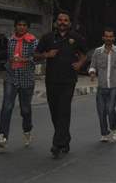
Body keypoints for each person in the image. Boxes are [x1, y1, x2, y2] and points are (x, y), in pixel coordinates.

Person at [35, 11, 87, 158]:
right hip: (51, 80)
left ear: (69, 23)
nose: (63, 22)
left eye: (66, 20)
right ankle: (65, 139)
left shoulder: (75, 38)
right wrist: (47, 55)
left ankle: (56, 144)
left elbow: (84, 54)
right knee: (55, 112)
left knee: (64, 111)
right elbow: (36, 54)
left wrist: (80, 63)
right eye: (60, 20)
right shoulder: (48, 38)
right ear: (56, 22)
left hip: (68, 81)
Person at [0, 16, 38, 149]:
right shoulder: (10, 41)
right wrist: (8, 62)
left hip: (26, 79)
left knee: (25, 109)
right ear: (15, 26)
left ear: (27, 27)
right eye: (19, 25)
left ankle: (27, 129)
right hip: (11, 77)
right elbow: (6, 57)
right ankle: (2, 136)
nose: (21, 27)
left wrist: (26, 60)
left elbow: (38, 58)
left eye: (24, 25)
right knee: (7, 106)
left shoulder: (33, 41)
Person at [89, 28, 116, 143]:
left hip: (114, 85)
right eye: (107, 36)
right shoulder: (97, 52)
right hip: (102, 86)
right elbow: (92, 66)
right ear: (103, 38)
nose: (109, 38)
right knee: (101, 111)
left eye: (111, 36)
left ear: (113, 38)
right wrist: (92, 73)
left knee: (110, 109)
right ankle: (104, 133)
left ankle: (114, 129)